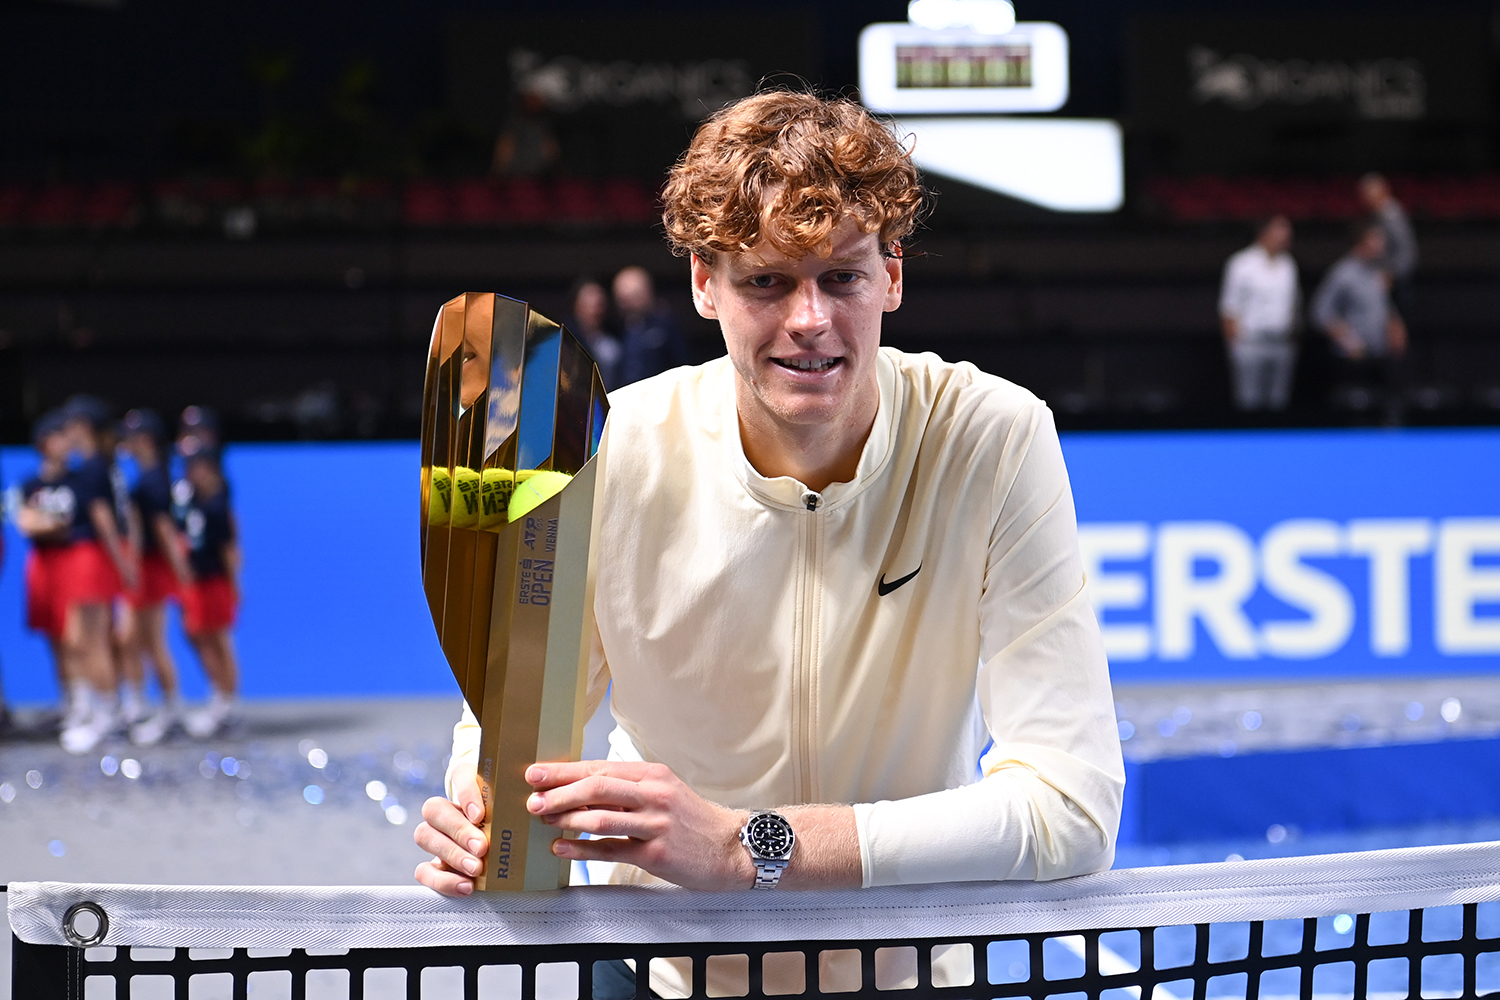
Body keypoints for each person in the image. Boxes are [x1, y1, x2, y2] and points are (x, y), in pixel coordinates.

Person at [416, 91, 1122, 996]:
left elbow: (1072, 808)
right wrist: (479, 814)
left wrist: (751, 847)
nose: (809, 318)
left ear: (892, 277)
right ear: (704, 284)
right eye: (767, 282)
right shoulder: (601, 455)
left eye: (843, 278)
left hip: (914, 976)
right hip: (660, 974)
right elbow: (510, 739)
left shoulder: (991, 438)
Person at [119, 409, 192, 745]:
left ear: (145, 440)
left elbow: (163, 528)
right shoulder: (152, 476)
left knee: (151, 640)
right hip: (147, 565)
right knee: (131, 639)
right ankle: (138, 705)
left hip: (150, 567)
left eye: (132, 437)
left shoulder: (154, 480)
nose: (127, 443)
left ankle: (171, 710)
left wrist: (178, 569)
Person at [173, 448, 242, 738]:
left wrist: (234, 584)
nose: (195, 474)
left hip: (214, 580)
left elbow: (229, 549)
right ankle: (218, 695)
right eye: (191, 468)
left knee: (219, 638)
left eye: (200, 468)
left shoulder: (217, 506)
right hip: (195, 581)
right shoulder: (189, 503)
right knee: (197, 635)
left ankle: (227, 704)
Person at [1311, 221, 1408, 422]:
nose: (1381, 245)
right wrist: (1347, 341)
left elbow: (1382, 306)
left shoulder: (1379, 271)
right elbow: (1320, 312)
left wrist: (1395, 323)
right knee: (1355, 414)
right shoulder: (1343, 274)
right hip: (1354, 359)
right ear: (1361, 243)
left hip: (1381, 354)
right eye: (1376, 240)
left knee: (1388, 410)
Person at [1219, 215, 1300, 412]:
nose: (1287, 235)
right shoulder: (1241, 264)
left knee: (1280, 401)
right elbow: (1229, 308)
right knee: (1249, 400)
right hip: (1250, 344)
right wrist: (1235, 347)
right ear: (1265, 232)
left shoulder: (1288, 264)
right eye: (1281, 230)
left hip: (1282, 344)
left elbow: (1294, 304)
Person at [613, 264, 690, 385]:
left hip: (660, 390)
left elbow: (681, 361)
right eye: (623, 298)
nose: (627, 304)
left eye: (633, 296)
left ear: (647, 292)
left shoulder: (665, 323)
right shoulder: (614, 328)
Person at [1357, 173, 1417, 312]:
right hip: (1383, 278)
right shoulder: (1378, 214)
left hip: (1395, 283)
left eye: (1368, 194)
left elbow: (1406, 251)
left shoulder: (1391, 216)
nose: (1365, 199)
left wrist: (1391, 274)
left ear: (1382, 191)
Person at [568, 276, 623, 390]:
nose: (595, 311)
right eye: (589, 305)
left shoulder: (617, 333)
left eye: (599, 304)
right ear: (577, 305)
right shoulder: (567, 339)